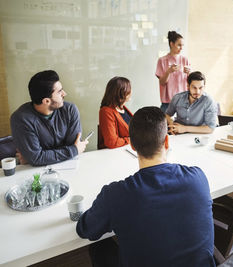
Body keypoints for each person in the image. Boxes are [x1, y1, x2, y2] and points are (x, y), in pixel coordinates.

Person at [76, 107, 215, 267]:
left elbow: (85, 230)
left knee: (99, 247)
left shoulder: (115, 195)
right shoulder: (198, 177)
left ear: (132, 146)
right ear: (167, 142)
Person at [10, 70, 87, 166]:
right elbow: (37, 158)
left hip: (70, 166)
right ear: (46, 101)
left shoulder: (70, 110)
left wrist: (40, 157)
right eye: (59, 92)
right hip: (37, 173)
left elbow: (36, 158)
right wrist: (73, 150)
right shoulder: (21, 119)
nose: (64, 94)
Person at [156, 31, 191, 113]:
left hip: (183, 101)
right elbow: (162, 82)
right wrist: (168, 71)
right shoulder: (162, 60)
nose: (181, 48)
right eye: (179, 45)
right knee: (165, 125)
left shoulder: (185, 60)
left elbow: (190, 82)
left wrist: (189, 73)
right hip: (167, 103)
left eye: (182, 45)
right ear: (171, 44)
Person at [99, 77, 133, 149]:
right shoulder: (106, 111)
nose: (131, 91)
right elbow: (111, 142)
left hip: (127, 149)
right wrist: (131, 140)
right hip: (115, 154)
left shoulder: (123, 108)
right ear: (120, 92)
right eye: (129, 89)